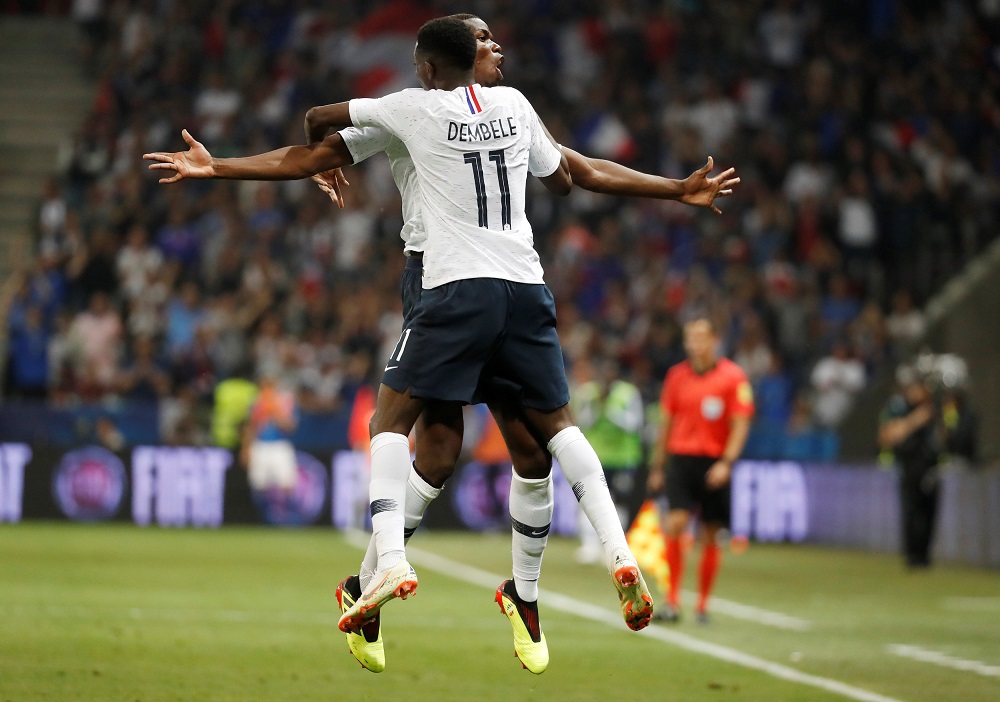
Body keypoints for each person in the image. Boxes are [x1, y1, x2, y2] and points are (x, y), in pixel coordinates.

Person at [145, 14, 738, 674]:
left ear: (425, 67)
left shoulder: (413, 109)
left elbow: (315, 135)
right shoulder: (514, 107)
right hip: (520, 289)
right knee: (493, 440)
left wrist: (220, 167)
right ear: (463, 57)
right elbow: (573, 174)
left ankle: (393, 567)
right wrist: (674, 188)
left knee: (415, 427)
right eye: (484, 40)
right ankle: (607, 555)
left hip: (449, 288)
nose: (497, 46)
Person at [647, 318, 754, 623]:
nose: (694, 344)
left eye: (700, 338)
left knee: (709, 533)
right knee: (676, 524)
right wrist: (658, 466)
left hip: (714, 463)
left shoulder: (733, 378)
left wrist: (727, 463)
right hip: (681, 460)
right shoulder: (676, 376)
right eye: (690, 338)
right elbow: (665, 424)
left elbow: (740, 424)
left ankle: (703, 605)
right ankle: (672, 600)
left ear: (714, 341)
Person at [570, 356, 644, 565]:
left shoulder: (628, 393)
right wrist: (597, 405)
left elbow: (635, 423)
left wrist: (611, 412)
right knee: (589, 500)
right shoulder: (587, 393)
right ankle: (589, 546)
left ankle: (615, 549)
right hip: (594, 456)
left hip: (622, 458)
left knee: (618, 501)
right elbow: (582, 421)